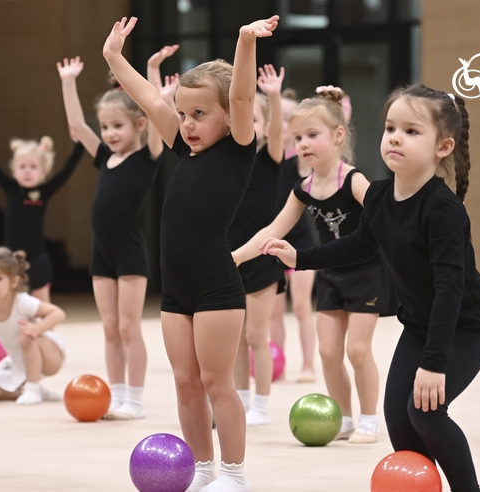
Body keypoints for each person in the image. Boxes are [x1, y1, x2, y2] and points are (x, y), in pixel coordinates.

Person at [258, 84, 480, 492]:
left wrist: (435, 363)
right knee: (398, 415)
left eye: (411, 131)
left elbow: (450, 291)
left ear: (443, 147)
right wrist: (300, 258)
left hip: (465, 326)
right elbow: (357, 245)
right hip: (421, 325)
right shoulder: (381, 196)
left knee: (428, 413)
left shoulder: (443, 211)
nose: (395, 138)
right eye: (390, 128)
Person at [104, 15, 279, 491]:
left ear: (227, 116)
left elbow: (243, 95)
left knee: (218, 383)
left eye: (200, 114)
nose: (187, 124)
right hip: (176, 289)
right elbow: (144, 96)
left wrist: (245, 41)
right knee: (185, 383)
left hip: (216, 285)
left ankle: (234, 474)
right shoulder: (184, 147)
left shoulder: (239, 148)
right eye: (183, 114)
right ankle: (202, 469)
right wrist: (113, 57)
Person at [233, 86, 399, 444]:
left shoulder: (353, 180)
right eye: (298, 137)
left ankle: (370, 417)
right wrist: (235, 256)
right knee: (327, 352)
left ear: (338, 136)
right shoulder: (303, 187)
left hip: (367, 274)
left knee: (357, 349)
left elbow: (386, 221)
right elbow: (272, 230)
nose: (303, 144)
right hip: (332, 276)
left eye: (312, 135)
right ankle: (346, 419)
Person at [57, 54, 165, 421]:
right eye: (105, 127)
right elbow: (75, 124)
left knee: (128, 327)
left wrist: (152, 77)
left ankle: (134, 400)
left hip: (130, 253)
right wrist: (68, 81)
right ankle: (116, 397)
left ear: (138, 125)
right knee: (109, 328)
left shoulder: (148, 155)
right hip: (101, 254)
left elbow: (155, 112)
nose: (109, 134)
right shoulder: (104, 157)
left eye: (117, 125)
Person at [229, 64, 286, 427]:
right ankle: (241, 402)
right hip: (231, 258)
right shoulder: (228, 162)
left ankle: (262, 406)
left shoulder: (270, 159)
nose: (249, 124)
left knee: (255, 336)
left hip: (262, 257)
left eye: (256, 119)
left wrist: (274, 98)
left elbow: (279, 130)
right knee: (233, 339)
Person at [0, 119, 83, 303]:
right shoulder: (11, 189)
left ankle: (45, 331)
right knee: (9, 301)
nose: (27, 172)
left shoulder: (43, 192)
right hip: (11, 257)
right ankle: (7, 331)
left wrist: (79, 145)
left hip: (37, 256)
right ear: (14, 170)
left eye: (33, 167)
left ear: (43, 171)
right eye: (22, 167)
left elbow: (67, 170)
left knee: (42, 302)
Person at [0, 246, 66, 404]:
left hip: (49, 357)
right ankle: (25, 391)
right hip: (17, 361)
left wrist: (37, 328)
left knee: (25, 335)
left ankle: (32, 387)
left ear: (14, 281)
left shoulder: (22, 301)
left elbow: (58, 314)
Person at [269, 88, 317, 383]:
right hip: (272, 242)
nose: (284, 124)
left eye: (289, 119)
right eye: (280, 118)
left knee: (301, 307)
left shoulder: (300, 159)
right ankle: (278, 364)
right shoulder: (268, 159)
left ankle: (308, 365)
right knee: (274, 311)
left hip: (300, 243)